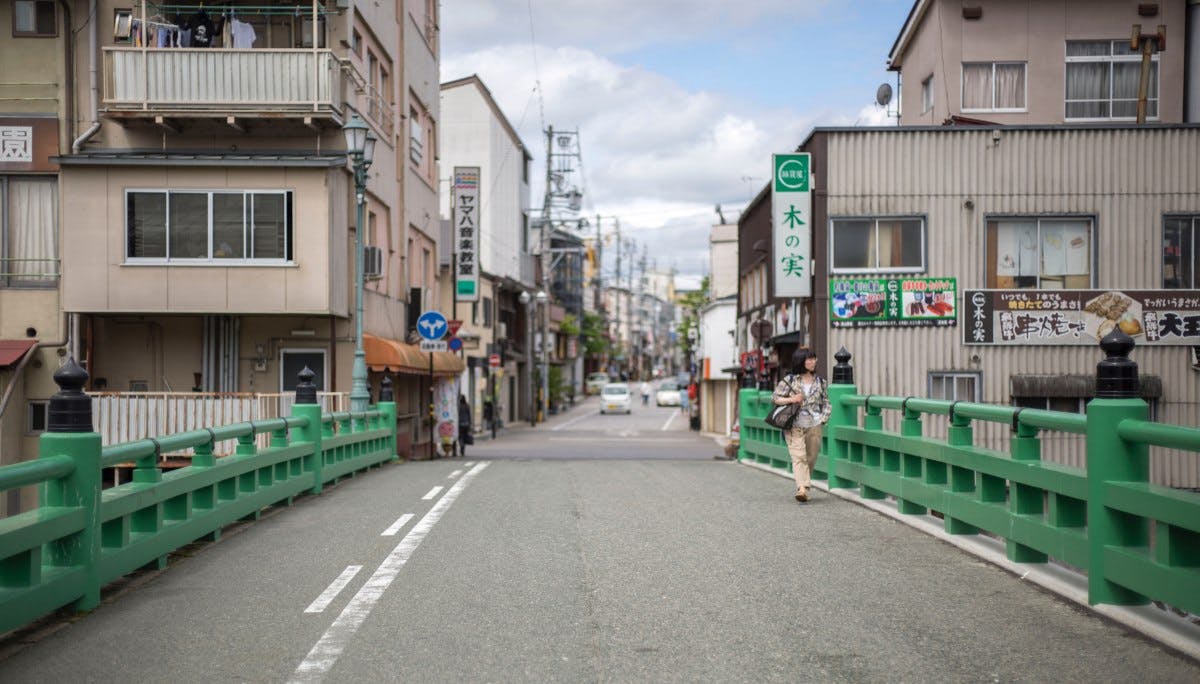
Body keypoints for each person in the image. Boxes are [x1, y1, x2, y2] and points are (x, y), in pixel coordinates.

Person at [772, 348, 831, 503]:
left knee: (811, 457)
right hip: (794, 424)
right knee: (799, 457)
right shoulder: (790, 380)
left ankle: (804, 485)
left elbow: (826, 402)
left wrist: (823, 418)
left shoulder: (821, 382)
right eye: (809, 359)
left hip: (814, 424)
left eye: (814, 359)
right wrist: (792, 400)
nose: (813, 362)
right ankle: (802, 488)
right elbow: (775, 398)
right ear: (801, 361)